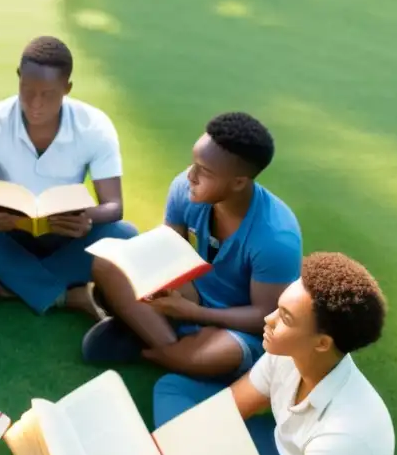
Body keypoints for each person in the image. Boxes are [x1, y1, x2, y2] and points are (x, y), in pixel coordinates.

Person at [153, 252, 394, 455]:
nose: (267, 320)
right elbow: (227, 411)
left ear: (322, 343)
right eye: (277, 308)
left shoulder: (348, 432)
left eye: (285, 318)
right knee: (172, 389)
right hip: (273, 446)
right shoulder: (284, 353)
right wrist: (157, 451)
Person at [84, 112, 302, 384]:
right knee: (106, 264)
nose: (191, 175)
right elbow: (167, 253)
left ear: (238, 182)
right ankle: (174, 346)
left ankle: (152, 343)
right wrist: (145, 280)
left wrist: (195, 314)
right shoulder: (185, 189)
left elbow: (265, 317)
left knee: (219, 354)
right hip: (190, 294)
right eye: (194, 163)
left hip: (237, 324)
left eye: (205, 171)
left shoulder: (276, 237)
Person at [0, 36, 138, 317]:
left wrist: (86, 218)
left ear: (67, 88)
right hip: (8, 233)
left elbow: (114, 206)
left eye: (48, 94)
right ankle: (69, 295)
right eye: (27, 89)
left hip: (67, 236)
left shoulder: (95, 126)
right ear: (19, 77)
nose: (35, 103)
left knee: (125, 235)